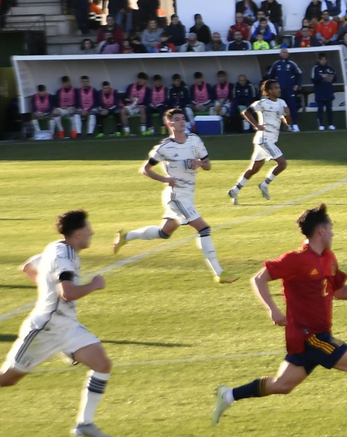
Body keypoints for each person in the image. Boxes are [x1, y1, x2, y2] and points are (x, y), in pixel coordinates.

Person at [211, 204, 347, 437]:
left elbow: (338, 291)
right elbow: (258, 278)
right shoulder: (296, 259)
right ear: (320, 231)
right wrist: (273, 310)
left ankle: (229, 394)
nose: (333, 233)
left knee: (282, 385)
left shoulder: (329, 258)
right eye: (331, 228)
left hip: (316, 335)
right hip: (310, 336)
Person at [0, 209, 117, 437]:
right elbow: (68, 293)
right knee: (8, 378)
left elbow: (28, 268)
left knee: (102, 364)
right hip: (45, 330)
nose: (92, 231)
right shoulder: (66, 258)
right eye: (88, 228)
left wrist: (47, 291)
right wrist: (94, 285)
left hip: (66, 326)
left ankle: (84, 424)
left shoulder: (56, 247)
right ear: (79, 233)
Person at [110, 107, 237, 283]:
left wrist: (199, 163)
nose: (182, 121)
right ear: (169, 124)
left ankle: (126, 236)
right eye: (177, 119)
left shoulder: (195, 140)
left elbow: (208, 165)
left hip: (188, 195)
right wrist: (164, 179)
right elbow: (145, 169)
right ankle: (219, 273)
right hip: (176, 196)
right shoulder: (164, 147)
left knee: (164, 233)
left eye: (183, 118)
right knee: (204, 229)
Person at [230, 79, 290, 204]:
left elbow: (287, 121)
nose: (278, 90)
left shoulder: (282, 102)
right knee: (282, 164)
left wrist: (287, 119)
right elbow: (246, 112)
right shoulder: (262, 103)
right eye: (275, 88)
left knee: (254, 169)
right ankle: (265, 184)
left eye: (278, 87)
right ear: (268, 91)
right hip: (264, 139)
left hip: (271, 139)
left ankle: (235, 189)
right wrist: (256, 125)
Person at [267, 47, 304, 130]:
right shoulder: (276, 64)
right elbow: (270, 76)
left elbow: (299, 74)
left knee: (292, 107)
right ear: (280, 54)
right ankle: (283, 125)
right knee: (279, 108)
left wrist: (297, 85)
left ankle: (294, 124)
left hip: (290, 90)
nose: (285, 54)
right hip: (279, 91)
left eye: (286, 52)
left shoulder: (291, 64)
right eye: (283, 52)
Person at [311, 55, 337, 130]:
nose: (324, 61)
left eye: (325, 59)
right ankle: (321, 125)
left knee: (329, 109)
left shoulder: (329, 68)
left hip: (328, 91)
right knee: (320, 109)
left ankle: (331, 124)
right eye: (322, 59)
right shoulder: (315, 68)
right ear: (319, 60)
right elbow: (313, 79)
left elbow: (335, 78)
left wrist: (330, 76)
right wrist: (321, 77)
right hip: (319, 92)